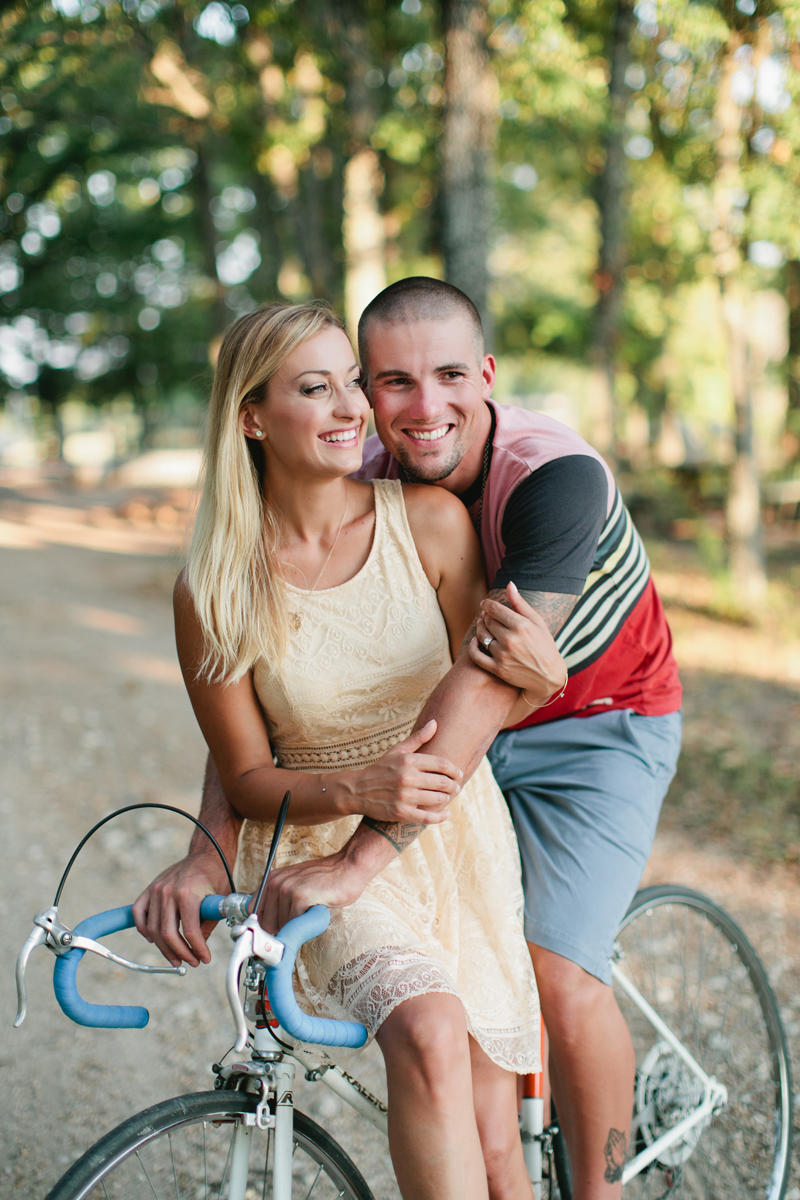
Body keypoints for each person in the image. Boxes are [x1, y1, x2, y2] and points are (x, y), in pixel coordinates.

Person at [136, 278, 682, 1199]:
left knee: (559, 965)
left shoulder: (552, 475)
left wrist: (358, 858)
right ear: (254, 418)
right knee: (461, 1076)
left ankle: (603, 1189)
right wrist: (209, 846)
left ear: (489, 377)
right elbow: (273, 716)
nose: (416, 408)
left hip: (595, 720)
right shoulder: (379, 473)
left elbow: (492, 677)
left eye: (448, 377)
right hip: (443, 749)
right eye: (384, 380)